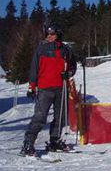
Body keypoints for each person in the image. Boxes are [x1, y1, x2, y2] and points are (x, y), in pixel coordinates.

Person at [20, 23, 77, 156]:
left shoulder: (66, 50)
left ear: (58, 34)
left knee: (61, 117)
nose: (49, 36)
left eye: (52, 34)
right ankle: (28, 143)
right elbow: (34, 69)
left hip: (61, 89)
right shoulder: (41, 49)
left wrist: (68, 74)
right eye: (48, 34)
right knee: (39, 117)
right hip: (45, 89)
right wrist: (31, 87)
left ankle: (54, 140)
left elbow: (72, 67)